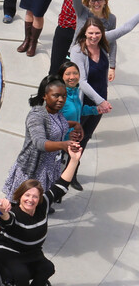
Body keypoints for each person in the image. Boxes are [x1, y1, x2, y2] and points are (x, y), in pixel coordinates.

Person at [0, 142, 81, 286]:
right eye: (26, 195)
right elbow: (8, 222)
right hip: (10, 252)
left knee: (48, 268)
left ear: (40, 199)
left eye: (34, 196)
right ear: (19, 196)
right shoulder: (14, 212)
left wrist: (74, 160)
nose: (30, 199)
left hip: (32, 252)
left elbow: (62, 184)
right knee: (21, 273)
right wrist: (3, 212)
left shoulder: (43, 205)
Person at [70, 14, 139, 156]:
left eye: (97, 33)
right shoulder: (78, 51)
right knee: (73, 138)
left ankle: (72, 174)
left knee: (86, 137)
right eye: (90, 33)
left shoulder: (103, 40)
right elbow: (82, 82)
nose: (94, 36)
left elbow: (126, 28)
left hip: (100, 100)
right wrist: (100, 102)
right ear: (84, 33)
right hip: (83, 103)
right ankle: (61, 173)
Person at [1, 77, 78, 197]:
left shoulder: (56, 113)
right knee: (21, 205)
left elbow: (57, 125)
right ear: (44, 96)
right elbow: (39, 142)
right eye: (56, 95)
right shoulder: (37, 115)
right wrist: (63, 145)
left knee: (39, 203)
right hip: (34, 170)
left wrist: (75, 125)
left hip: (50, 167)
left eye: (64, 96)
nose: (61, 99)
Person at [56, 60, 99, 191]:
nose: (72, 77)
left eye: (75, 73)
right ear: (61, 77)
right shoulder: (59, 96)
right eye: (68, 74)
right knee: (54, 174)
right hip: (59, 143)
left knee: (61, 173)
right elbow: (53, 121)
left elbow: (77, 111)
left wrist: (95, 110)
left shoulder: (75, 93)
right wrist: (70, 131)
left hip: (69, 142)